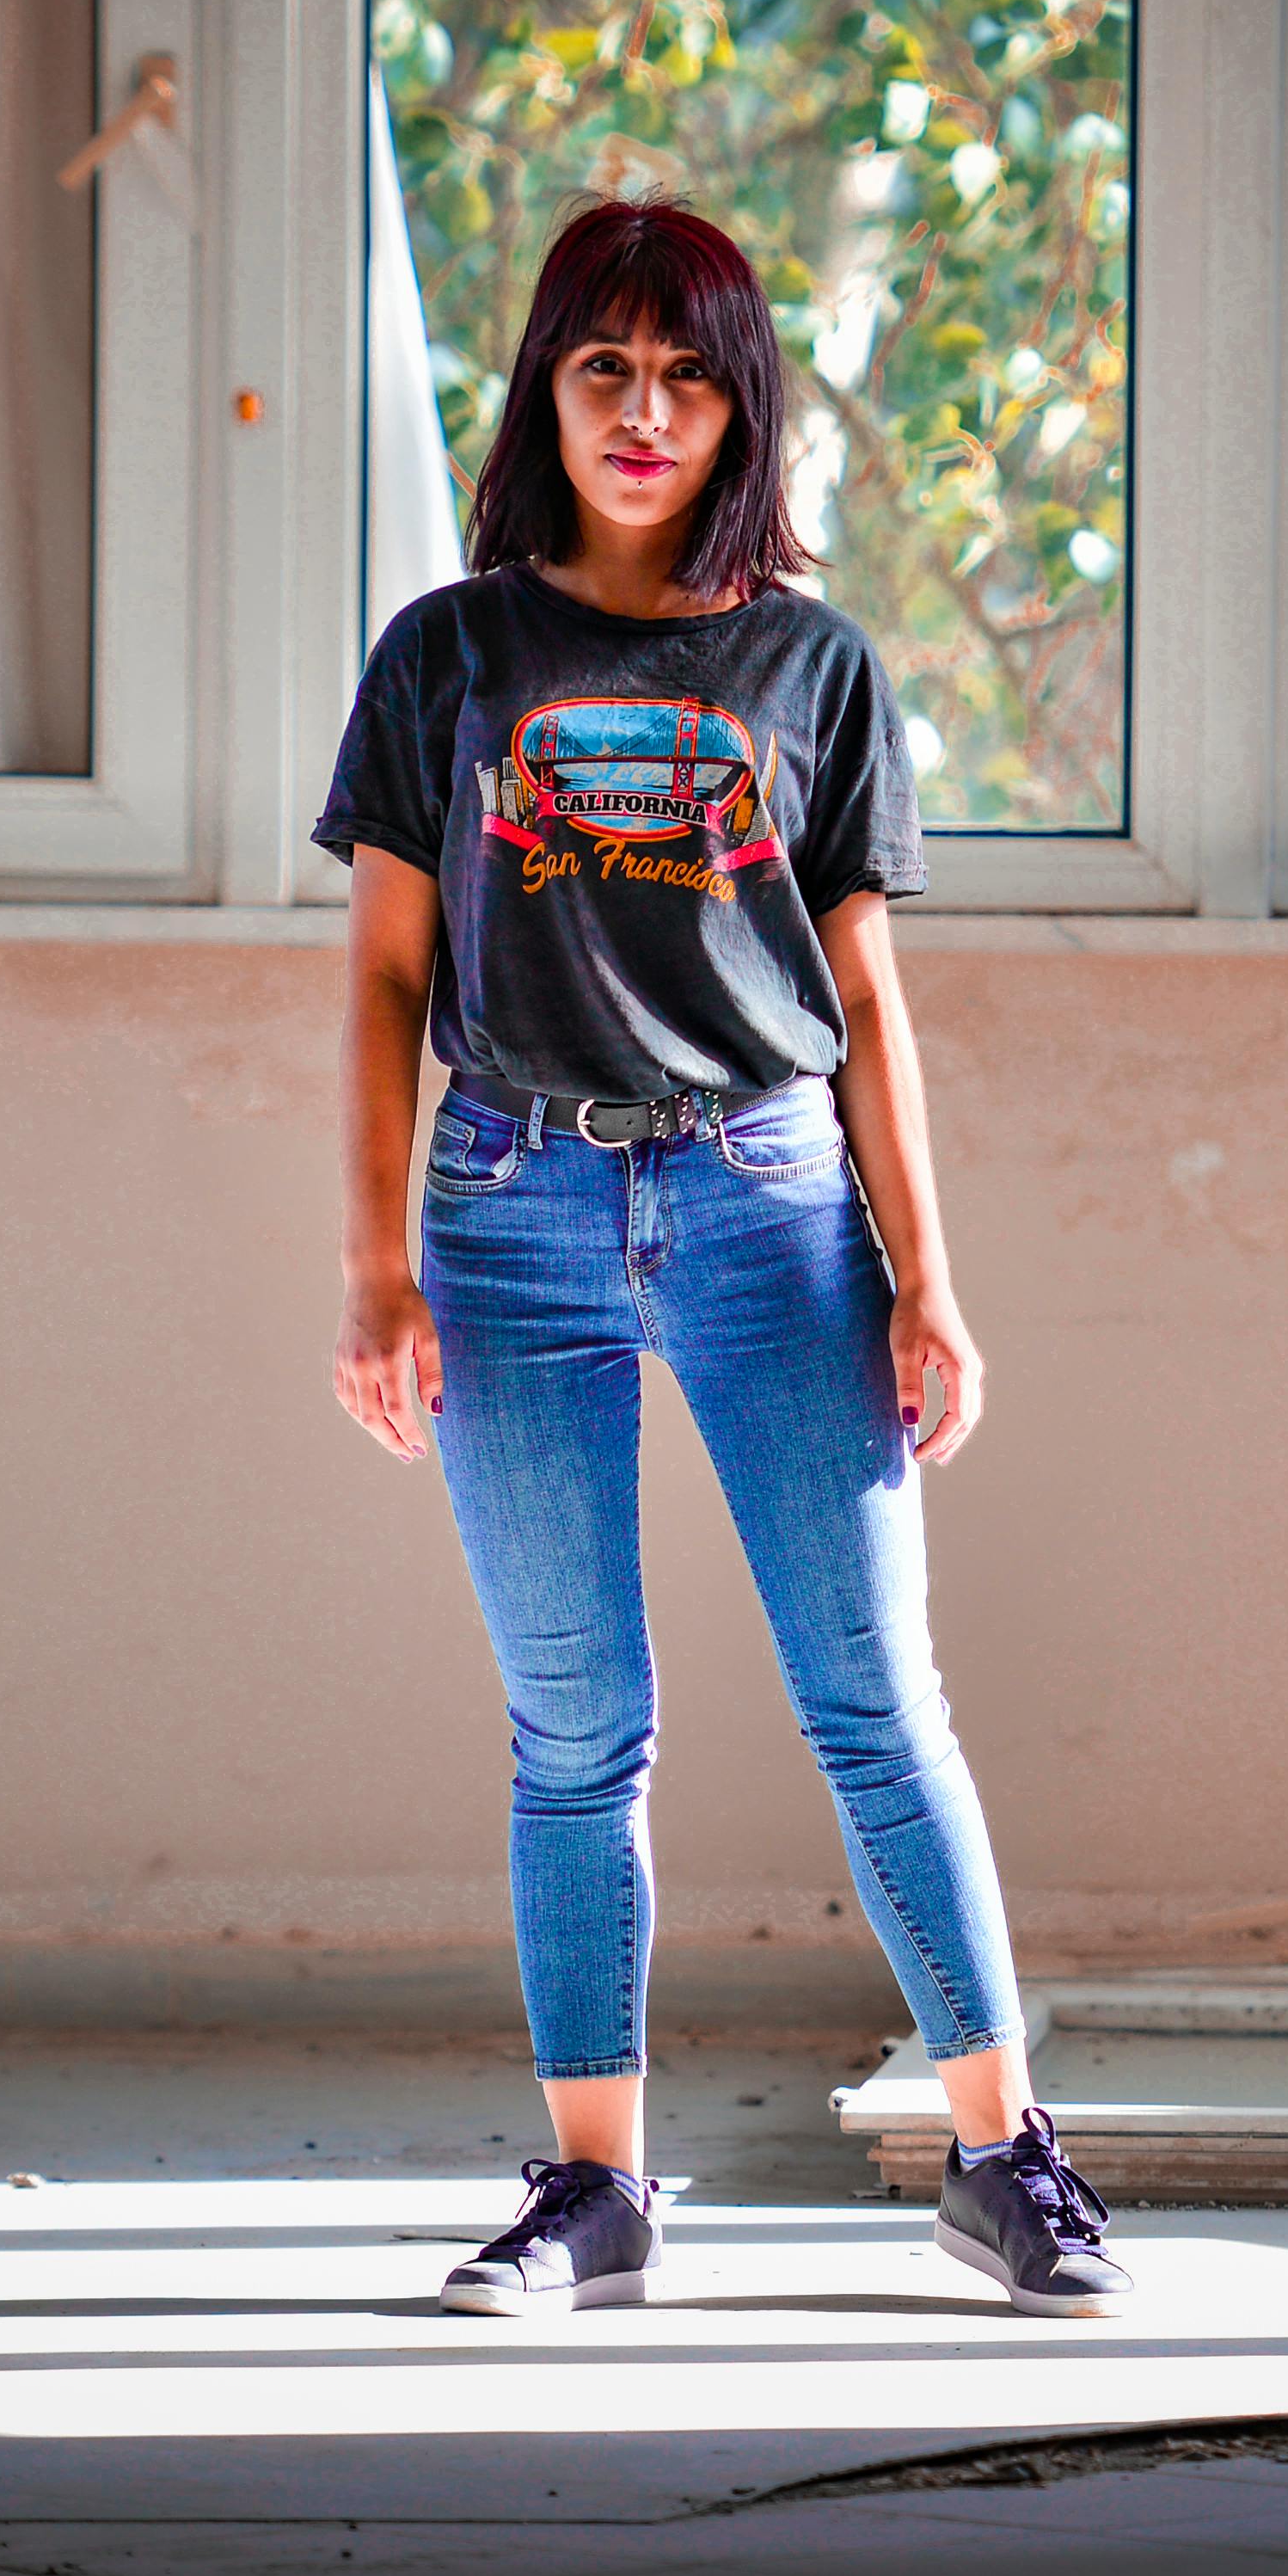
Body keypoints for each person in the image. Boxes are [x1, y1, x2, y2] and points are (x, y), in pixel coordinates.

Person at [316, 198, 1127, 2322]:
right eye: (606, 368)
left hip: (773, 1211)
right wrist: (378, 1265)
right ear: (547, 395)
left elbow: (870, 1006)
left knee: (875, 1698)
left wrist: (929, 1278)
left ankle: (1001, 2156)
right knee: (575, 1726)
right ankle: (596, 2192)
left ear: (739, 403)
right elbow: (387, 981)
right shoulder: (451, 659)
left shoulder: (811, 666)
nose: (646, 411)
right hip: (509, 1214)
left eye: (687, 375)